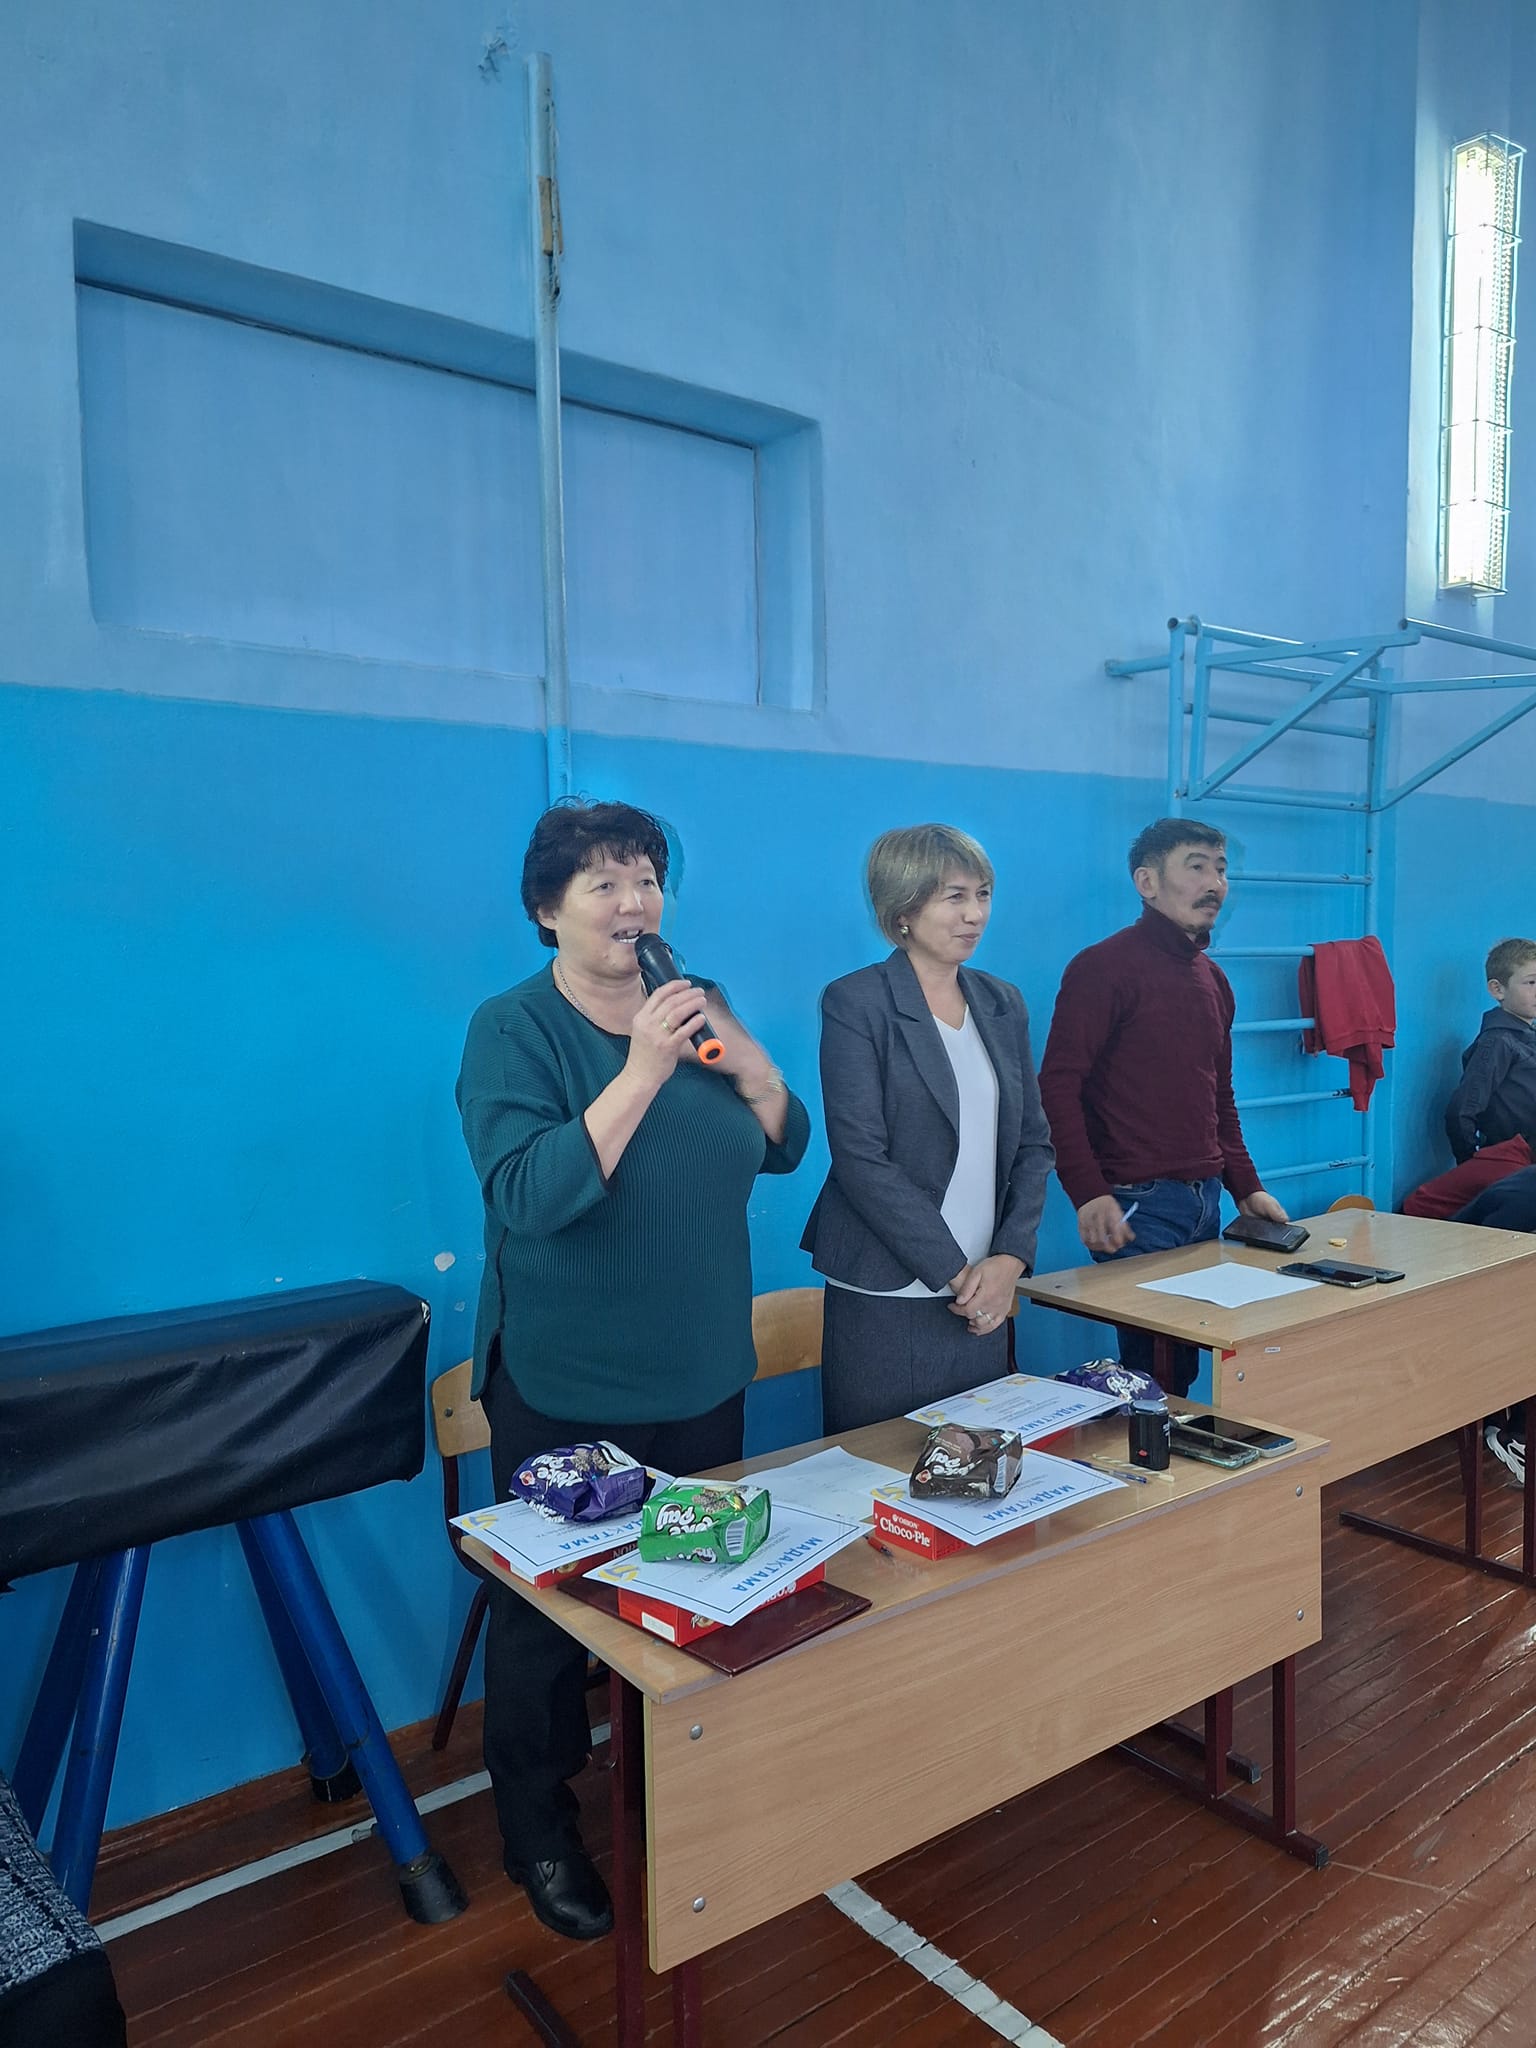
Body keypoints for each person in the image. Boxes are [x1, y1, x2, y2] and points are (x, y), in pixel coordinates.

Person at [457, 798, 809, 1941]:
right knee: (549, 1622)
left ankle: (674, 1789)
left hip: (701, 1365)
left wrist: (753, 1065)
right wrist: (645, 1068)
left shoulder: (695, 1001)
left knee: (690, 1588)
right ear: (545, 909)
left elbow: (783, 1141)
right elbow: (531, 1194)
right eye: (603, 881)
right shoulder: (513, 1029)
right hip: (566, 1378)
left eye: (648, 877)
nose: (634, 901)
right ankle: (539, 1827)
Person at [801, 824, 1054, 1432]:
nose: (975, 914)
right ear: (904, 911)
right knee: (880, 1468)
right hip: (890, 1292)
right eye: (954, 897)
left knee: (977, 1464)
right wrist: (959, 1275)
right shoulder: (856, 1001)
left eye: (983, 895)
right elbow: (861, 1158)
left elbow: (1034, 1144)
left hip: (986, 1290)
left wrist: (1009, 1260)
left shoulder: (1003, 1001)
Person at [1037, 817, 1288, 1395]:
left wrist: (1246, 1188)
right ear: (1147, 883)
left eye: (1220, 869)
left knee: (1181, 1369)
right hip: (1137, 1203)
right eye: (1196, 866)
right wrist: (1088, 1192)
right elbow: (1057, 1087)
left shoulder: (1214, 981)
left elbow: (1218, 1097)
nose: (1214, 883)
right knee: (1154, 1370)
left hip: (1204, 1202)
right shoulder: (1102, 968)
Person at [1444, 938, 1536, 1164]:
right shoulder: (1497, 1042)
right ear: (1498, 989)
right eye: (1531, 982)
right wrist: (1473, 1167)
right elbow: (1461, 1112)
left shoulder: (1528, 1038)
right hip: (1514, 1166)